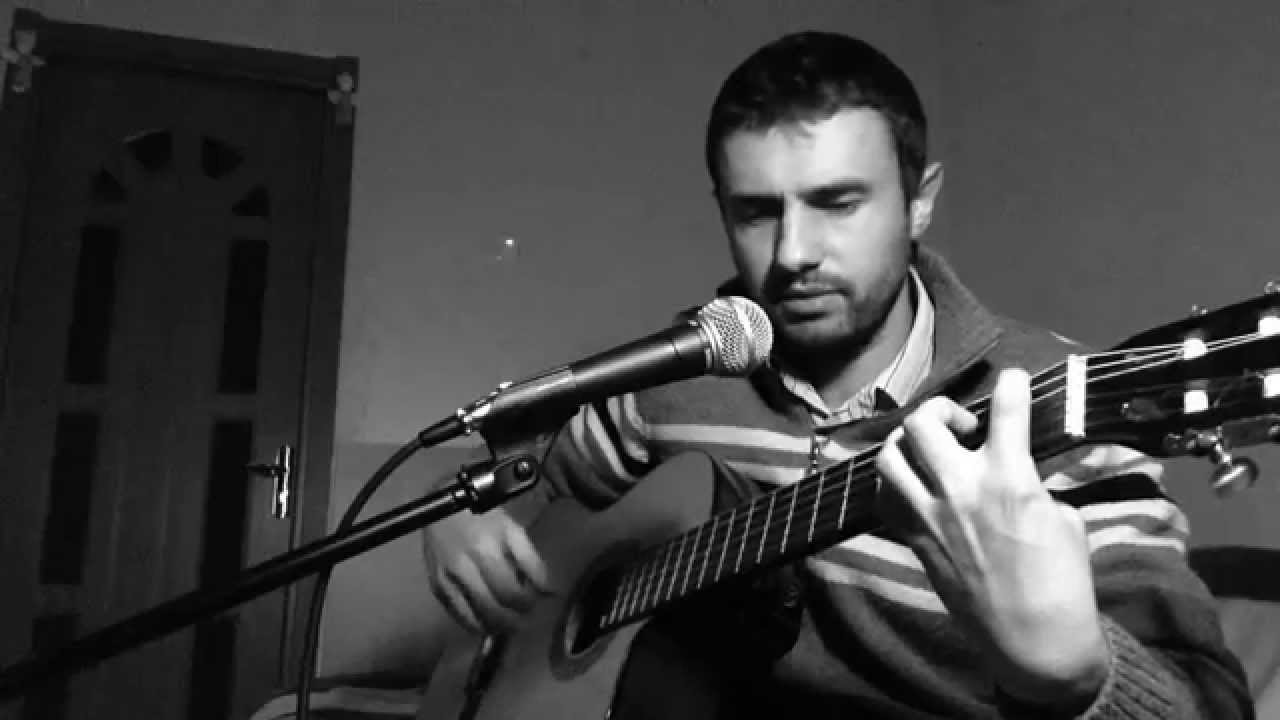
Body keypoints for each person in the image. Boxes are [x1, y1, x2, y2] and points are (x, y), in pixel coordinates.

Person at [422, 30, 1253, 718]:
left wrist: (1078, 675)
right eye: (756, 212)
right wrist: (455, 517)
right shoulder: (670, 384)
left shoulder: (1057, 408)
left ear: (920, 201)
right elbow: (523, 490)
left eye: (838, 203)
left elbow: (1211, 702)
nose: (792, 254)